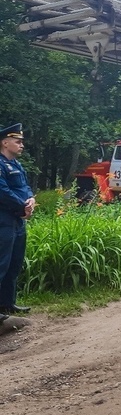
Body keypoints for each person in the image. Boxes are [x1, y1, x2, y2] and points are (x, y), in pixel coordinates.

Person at [0, 123, 35, 321]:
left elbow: (25, 186)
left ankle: (7, 303)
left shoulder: (16, 165)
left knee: (14, 263)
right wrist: (23, 205)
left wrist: (31, 199)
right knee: (1, 263)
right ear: (5, 143)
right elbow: (2, 192)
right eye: (17, 141)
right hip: (3, 220)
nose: (21, 145)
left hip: (18, 221)